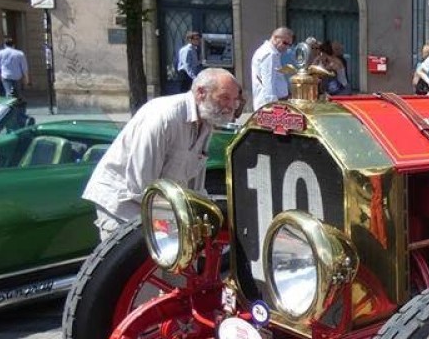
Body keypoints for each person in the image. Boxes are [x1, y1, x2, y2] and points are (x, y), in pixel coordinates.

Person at [82, 68, 242, 240]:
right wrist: (173, 228)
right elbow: (141, 186)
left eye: (235, 100)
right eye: (225, 98)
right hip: (123, 207)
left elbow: (195, 186)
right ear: (201, 93)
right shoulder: (164, 117)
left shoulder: (207, 121)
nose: (231, 106)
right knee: (139, 264)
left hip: (155, 206)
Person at [250, 27, 293, 110]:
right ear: (275, 38)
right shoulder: (270, 54)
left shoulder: (269, 52)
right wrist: (273, 107)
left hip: (271, 103)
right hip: (271, 105)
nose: (287, 47)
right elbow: (268, 82)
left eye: (289, 45)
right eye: (285, 43)